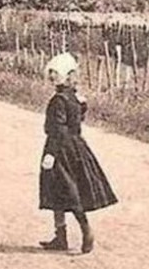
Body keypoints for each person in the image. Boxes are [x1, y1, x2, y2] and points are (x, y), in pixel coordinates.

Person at [38, 51, 117, 254]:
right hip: (77, 148)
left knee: (66, 192)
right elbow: (77, 121)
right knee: (61, 191)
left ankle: (85, 231)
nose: (52, 77)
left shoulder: (58, 100)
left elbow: (57, 129)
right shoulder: (76, 99)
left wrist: (51, 155)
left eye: (54, 74)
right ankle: (60, 237)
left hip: (60, 150)